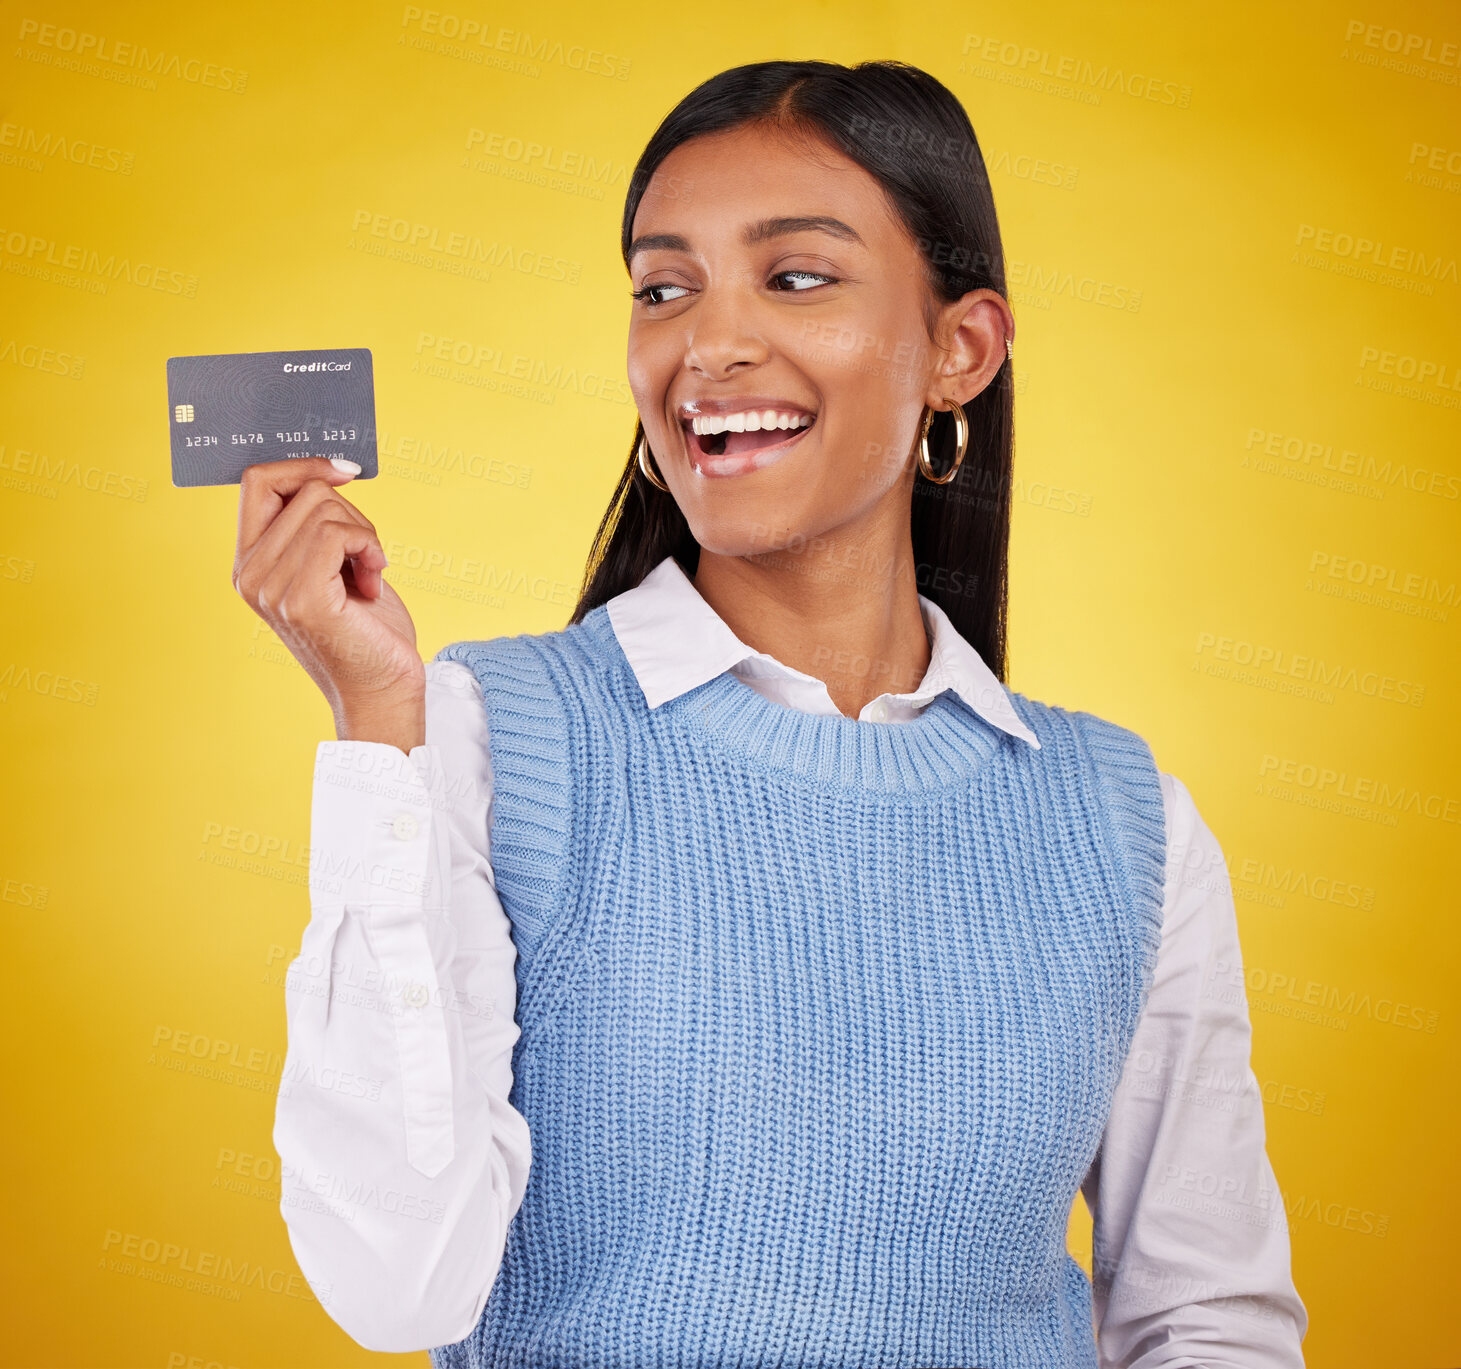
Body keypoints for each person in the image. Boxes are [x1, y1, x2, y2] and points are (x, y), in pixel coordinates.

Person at [234, 59, 1308, 1369]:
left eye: (795, 278)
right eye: (663, 286)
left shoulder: (1123, 819)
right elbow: (396, 1287)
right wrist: (376, 724)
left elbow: (1205, 1319)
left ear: (959, 349)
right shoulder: (481, 736)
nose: (709, 341)